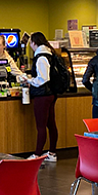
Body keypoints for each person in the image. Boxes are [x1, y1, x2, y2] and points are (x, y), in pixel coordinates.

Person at [23, 32, 59, 163]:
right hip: (51, 94)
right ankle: (52, 153)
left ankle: (37, 154)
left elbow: (43, 78)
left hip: (43, 95)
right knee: (51, 124)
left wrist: (29, 80)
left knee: (41, 126)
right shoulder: (50, 54)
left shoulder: (41, 57)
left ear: (34, 43)